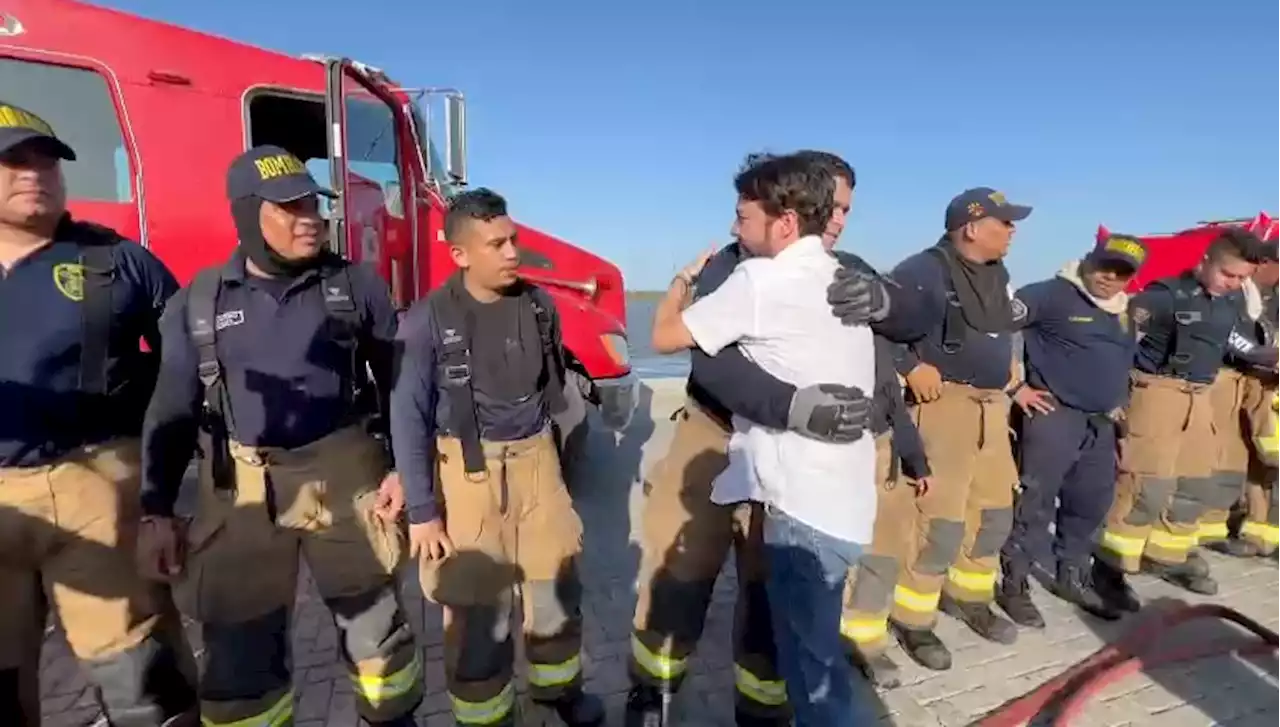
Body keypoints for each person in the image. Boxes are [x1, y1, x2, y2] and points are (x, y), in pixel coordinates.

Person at [624, 150, 918, 727]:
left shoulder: (845, 272)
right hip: (714, 442)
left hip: (787, 475)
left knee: (766, 599)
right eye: (829, 206)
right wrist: (792, 408)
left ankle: (761, 709)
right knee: (681, 579)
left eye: (844, 210)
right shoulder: (734, 269)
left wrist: (888, 303)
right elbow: (713, 368)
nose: (835, 220)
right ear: (794, 211)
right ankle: (652, 691)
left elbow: (908, 326)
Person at [137, 145, 421, 727]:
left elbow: (401, 385)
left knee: (377, 631)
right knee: (241, 649)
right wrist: (156, 509)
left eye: (313, 203)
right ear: (247, 215)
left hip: (346, 479)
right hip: (240, 489)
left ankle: (395, 718)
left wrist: (405, 471)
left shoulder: (355, 285)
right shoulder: (198, 301)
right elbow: (171, 407)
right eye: (289, 207)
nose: (310, 217)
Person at [0, 101, 198, 727]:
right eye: (13, 161)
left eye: (46, 162)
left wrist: (162, 504)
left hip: (98, 491)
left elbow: (191, 374)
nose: (35, 173)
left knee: (143, 684)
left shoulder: (120, 263)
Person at [390, 188, 604, 727]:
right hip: (467, 476)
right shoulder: (427, 322)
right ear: (460, 254)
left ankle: (559, 692)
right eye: (496, 244)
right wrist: (422, 509)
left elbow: (555, 393)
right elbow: (407, 416)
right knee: (477, 613)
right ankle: (484, 716)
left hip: (538, 466)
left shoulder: (539, 306)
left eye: (513, 240)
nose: (513, 253)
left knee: (556, 589)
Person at [883, 187, 1033, 669]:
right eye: (1004, 222)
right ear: (971, 227)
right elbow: (874, 326)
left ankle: (970, 594)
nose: (1012, 231)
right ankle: (913, 616)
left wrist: (1009, 365)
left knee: (992, 511)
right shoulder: (920, 272)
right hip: (943, 406)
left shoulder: (997, 273)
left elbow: (999, 324)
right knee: (938, 520)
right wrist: (909, 365)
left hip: (991, 408)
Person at [1095, 229, 1272, 601]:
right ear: (1206, 260)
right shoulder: (1162, 297)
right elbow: (1117, 344)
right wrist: (1112, 399)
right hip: (1158, 392)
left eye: (1242, 278)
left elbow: (1240, 347)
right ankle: (1111, 566)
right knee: (1145, 485)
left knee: (1194, 484)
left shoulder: (1229, 303)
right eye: (1228, 275)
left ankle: (1166, 554)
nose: (1235, 283)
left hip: (1201, 396)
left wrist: (1270, 358)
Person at [994, 235, 1147, 627]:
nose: (1110, 277)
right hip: (1054, 415)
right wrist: (1015, 387)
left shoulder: (1125, 310)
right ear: (1087, 260)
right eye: (1104, 266)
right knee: (1035, 503)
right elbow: (991, 328)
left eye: (1122, 272)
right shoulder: (1048, 295)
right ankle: (1014, 584)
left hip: (1100, 422)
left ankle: (1072, 577)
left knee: (1089, 504)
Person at [839, 334, 933, 689]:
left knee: (882, 550)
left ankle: (866, 640)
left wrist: (918, 463)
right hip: (815, 454)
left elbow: (894, 406)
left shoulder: (876, 336)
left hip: (877, 448)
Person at [1200, 251, 1280, 557]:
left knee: (1267, 459)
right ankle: (1228, 526)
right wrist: (1271, 358)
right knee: (1235, 454)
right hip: (1237, 379)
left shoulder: (1266, 295)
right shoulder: (1233, 294)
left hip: (1262, 382)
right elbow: (1231, 339)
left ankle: (1261, 533)